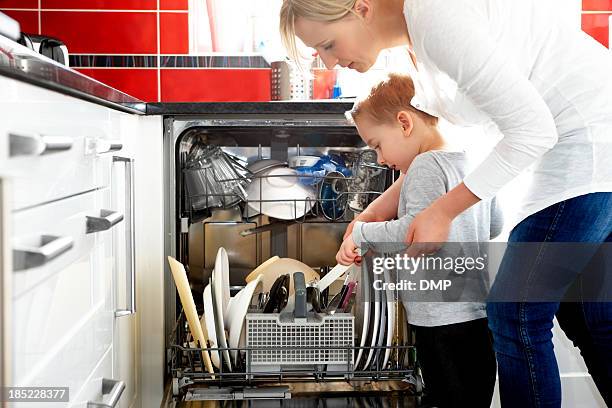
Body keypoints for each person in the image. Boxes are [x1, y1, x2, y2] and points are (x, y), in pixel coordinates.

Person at [279, 0, 612, 407]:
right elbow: (459, 146)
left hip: (586, 148)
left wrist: (442, 211)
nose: (329, 62)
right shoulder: (414, 43)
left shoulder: (435, 16)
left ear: (361, 8)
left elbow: (532, 131)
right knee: (591, 318)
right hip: (581, 150)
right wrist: (373, 211)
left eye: (328, 44)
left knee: (516, 313)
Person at [336, 73, 501, 407]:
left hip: (438, 319)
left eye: (377, 145)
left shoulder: (425, 165)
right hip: (476, 315)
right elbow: (495, 223)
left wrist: (361, 233)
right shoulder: (472, 160)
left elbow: (414, 232)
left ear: (404, 123)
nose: (380, 159)